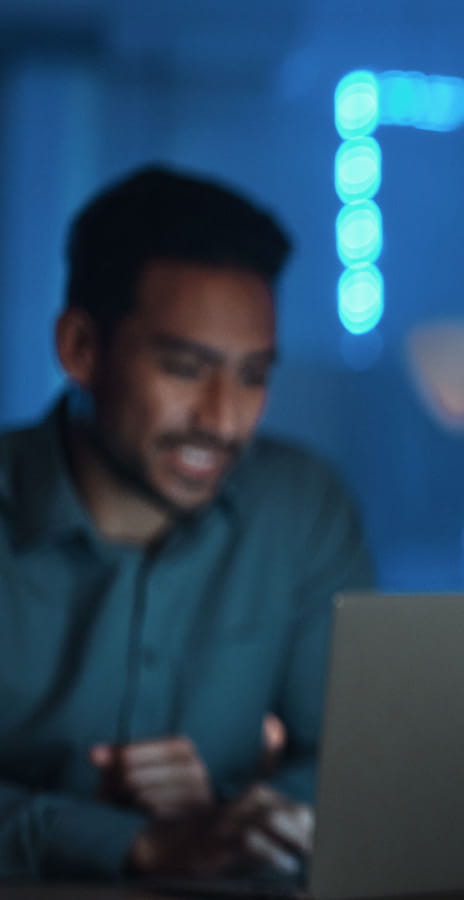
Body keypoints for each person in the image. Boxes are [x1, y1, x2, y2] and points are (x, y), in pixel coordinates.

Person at [0, 166, 374, 879]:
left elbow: (351, 767)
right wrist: (131, 841)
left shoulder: (301, 510)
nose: (223, 420)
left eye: (253, 376)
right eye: (183, 368)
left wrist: (232, 813)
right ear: (80, 349)